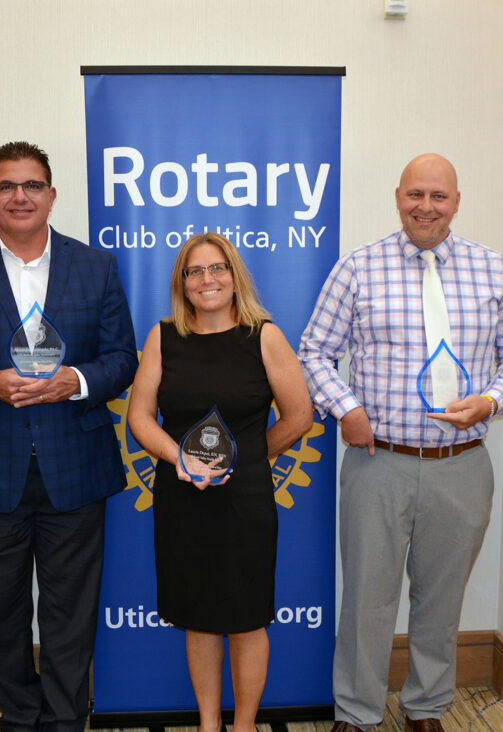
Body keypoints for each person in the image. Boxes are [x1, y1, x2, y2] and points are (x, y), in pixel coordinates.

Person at [299, 154, 503, 732]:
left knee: (441, 598)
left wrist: (489, 400)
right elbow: (314, 352)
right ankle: (355, 712)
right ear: (397, 195)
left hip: (462, 466)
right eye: (415, 195)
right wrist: (347, 409)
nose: (425, 207)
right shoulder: (358, 267)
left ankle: (426, 707)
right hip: (378, 462)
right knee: (366, 598)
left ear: (457, 201)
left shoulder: (493, 270)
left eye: (438, 196)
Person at [0, 142, 136, 732]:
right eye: (6, 186)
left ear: (51, 195)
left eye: (32, 185)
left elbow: (122, 360)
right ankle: (18, 718)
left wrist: (77, 381)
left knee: (70, 613)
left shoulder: (97, 266)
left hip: (76, 465)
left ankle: (64, 722)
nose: (20, 196)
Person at [126, 231, 311, 731]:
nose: (207, 279)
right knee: (199, 614)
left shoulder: (264, 336)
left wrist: (246, 458)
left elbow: (299, 416)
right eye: (195, 271)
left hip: (245, 502)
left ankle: (245, 724)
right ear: (182, 284)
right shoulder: (163, 338)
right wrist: (180, 461)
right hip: (182, 500)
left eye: (217, 268)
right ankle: (210, 723)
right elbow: (140, 418)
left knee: (248, 619)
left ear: (234, 277)